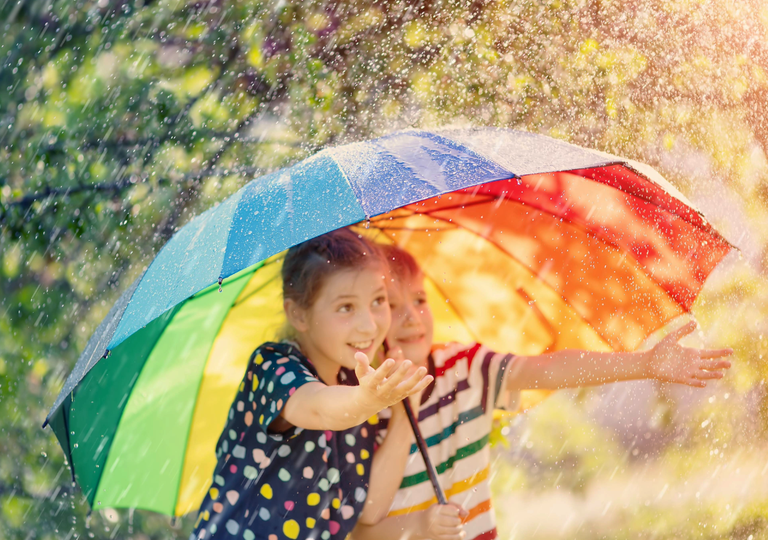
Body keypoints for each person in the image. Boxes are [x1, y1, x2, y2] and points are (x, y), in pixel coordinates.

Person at [351, 245, 733, 540]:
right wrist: (405, 409)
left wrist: (643, 364)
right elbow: (362, 525)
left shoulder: (464, 368)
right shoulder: (354, 402)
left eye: (419, 300)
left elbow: (551, 369)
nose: (412, 318)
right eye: (390, 305)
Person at [190, 229, 433, 540]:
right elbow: (319, 407)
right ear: (298, 314)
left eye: (378, 300)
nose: (369, 325)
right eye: (346, 307)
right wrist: (368, 400)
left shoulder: (354, 378)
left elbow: (368, 509)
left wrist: (401, 403)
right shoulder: (273, 366)